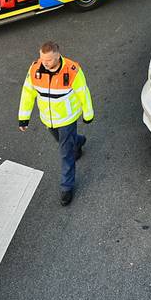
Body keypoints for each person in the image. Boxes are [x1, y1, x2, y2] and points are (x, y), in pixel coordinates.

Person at [18, 41, 94, 206]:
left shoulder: (72, 70)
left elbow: (83, 93)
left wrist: (88, 114)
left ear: (58, 56)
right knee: (64, 142)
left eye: (49, 60)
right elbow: (27, 93)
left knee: (66, 153)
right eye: (42, 59)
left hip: (67, 119)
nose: (45, 63)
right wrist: (23, 117)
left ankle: (66, 187)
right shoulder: (35, 69)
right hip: (48, 119)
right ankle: (79, 141)